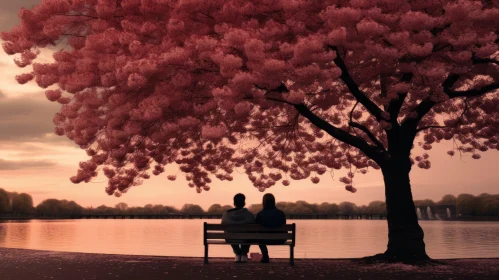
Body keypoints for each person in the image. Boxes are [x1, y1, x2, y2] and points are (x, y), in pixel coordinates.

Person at [221, 193, 255, 263]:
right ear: (244, 203)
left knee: (230, 234)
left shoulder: (226, 215)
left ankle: (237, 254)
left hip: (231, 239)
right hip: (245, 239)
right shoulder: (250, 215)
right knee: (249, 234)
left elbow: (223, 226)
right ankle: (243, 254)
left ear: (234, 203)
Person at [255, 193, 287, 263]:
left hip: (264, 240)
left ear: (264, 202)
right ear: (273, 202)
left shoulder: (260, 214)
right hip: (280, 239)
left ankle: (265, 255)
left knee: (258, 236)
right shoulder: (281, 213)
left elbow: (257, 229)